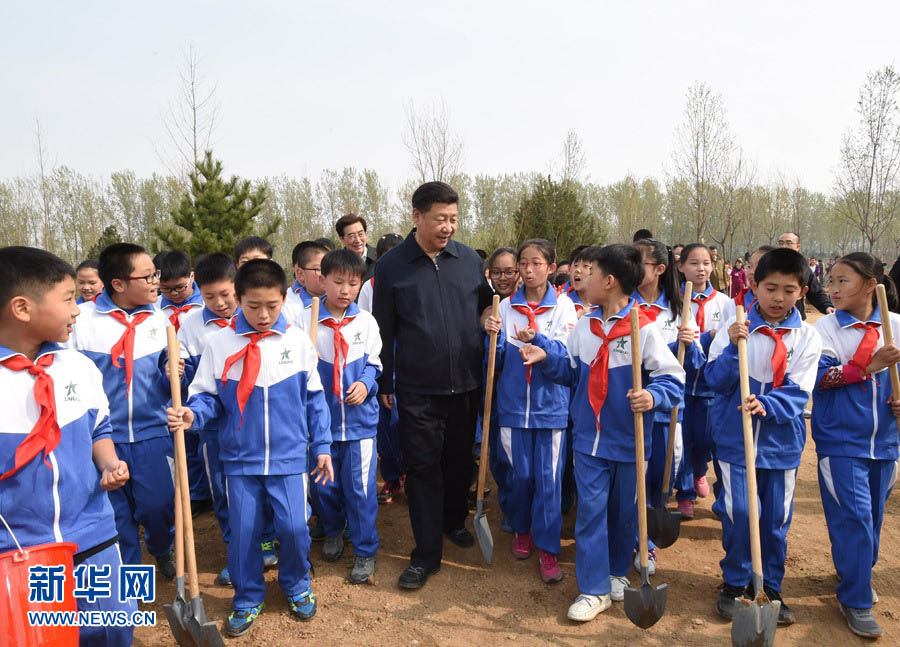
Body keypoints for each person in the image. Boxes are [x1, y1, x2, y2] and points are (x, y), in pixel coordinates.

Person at [167, 259, 334, 636]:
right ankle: (247, 596)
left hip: (289, 458)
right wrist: (193, 415)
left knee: (294, 528)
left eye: (272, 305)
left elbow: (314, 399)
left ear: (284, 299)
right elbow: (207, 397)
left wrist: (322, 445)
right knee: (243, 533)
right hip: (239, 460)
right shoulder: (220, 343)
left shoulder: (296, 341)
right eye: (253, 305)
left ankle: (297, 585)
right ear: (239, 299)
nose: (263, 315)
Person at [520, 244, 684, 621]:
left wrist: (652, 395)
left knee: (624, 514)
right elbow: (571, 372)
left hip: (630, 442)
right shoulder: (585, 326)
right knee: (591, 514)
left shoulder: (644, 328)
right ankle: (593, 589)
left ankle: (616, 572)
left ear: (609, 281)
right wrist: (545, 357)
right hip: (589, 442)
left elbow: (673, 378)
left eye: (590, 272)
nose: (582, 276)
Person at [0, 246, 136, 647]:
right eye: (67, 299)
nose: (77, 309)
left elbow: (98, 428)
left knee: (112, 629)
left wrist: (109, 463)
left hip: (93, 533)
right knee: (42, 637)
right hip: (21, 548)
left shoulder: (77, 366)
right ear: (22, 308)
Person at [372, 181, 494, 590]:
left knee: (459, 462)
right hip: (417, 389)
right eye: (440, 219)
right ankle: (426, 554)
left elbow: (484, 307)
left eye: (454, 219)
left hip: (466, 385)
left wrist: (487, 320)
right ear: (417, 216)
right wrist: (385, 379)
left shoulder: (468, 260)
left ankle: (453, 521)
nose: (448, 227)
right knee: (423, 469)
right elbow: (384, 328)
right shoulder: (392, 267)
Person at [705, 248, 822, 627]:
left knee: (774, 520)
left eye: (789, 290)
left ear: (802, 292)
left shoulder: (807, 337)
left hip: (781, 445)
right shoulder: (735, 326)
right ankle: (735, 582)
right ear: (754, 286)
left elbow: (800, 391)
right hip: (735, 439)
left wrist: (767, 404)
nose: (778, 298)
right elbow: (714, 379)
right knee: (740, 512)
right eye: (770, 288)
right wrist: (731, 350)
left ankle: (769, 586)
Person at [69, 243, 176, 576]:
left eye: (155, 274)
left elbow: (172, 376)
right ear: (118, 284)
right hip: (103, 439)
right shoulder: (82, 322)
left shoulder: (161, 319)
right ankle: (129, 583)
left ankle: (162, 548)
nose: (155, 282)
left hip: (153, 433)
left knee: (159, 506)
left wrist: (172, 371)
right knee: (117, 518)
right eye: (148, 277)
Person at [812, 253, 900, 639]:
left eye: (842, 281)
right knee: (856, 519)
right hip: (840, 440)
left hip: (886, 443)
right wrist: (868, 365)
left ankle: (856, 572)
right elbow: (818, 378)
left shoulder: (896, 326)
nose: (832, 289)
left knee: (874, 519)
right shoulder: (825, 329)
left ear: (869, 285)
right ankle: (857, 599)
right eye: (830, 280)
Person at [483, 239, 577, 583]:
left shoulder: (564, 307)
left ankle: (548, 548)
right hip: (512, 408)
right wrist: (492, 338)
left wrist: (538, 341)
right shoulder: (506, 307)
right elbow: (495, 362)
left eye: (536, 263)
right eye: (524, 263)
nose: (528, 269)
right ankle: (522, 529)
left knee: (549, 480)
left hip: (551, 409)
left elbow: (566, 356)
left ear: (551, 267)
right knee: (519, 476)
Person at [307, 249, 383, 583]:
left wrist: (365, 384)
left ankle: (365, 551)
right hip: (320, 427)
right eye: (338, 282)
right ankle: (334, 528)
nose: (345, 290)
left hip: (359, 425)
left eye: (353, 283)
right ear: (322, 280)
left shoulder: (365, 322)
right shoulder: (307, 322)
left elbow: (375, 363)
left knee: (361, 490)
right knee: (323, 488)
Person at [633, 238, 702, 573]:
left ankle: (652, 524)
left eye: (640, 262)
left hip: (669, 413)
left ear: (660, 269)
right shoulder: (624, 305)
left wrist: (690, 344)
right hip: (633, 410)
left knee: (662, 478)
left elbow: (696, 363)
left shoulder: (679, 311)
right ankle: (641, 541)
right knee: (635, 478)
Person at [176, 251, 243, 586]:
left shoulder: (257, 315)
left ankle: (266, 541)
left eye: (226, 294)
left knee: (258, 488)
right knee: (222, 490)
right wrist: (172, 368)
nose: (219, 303)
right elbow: (183, 375)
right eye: (209, 296)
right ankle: (237, 551)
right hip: (214, 427)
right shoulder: (191, 326)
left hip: (254, 426)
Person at [674, 243, 732, 519]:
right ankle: (685, 493)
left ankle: (703, 473)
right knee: (683, 441)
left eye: (706, 263)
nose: (701, 269)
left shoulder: (725, 303)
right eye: (694, 263)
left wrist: (710, 339)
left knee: (708, 441)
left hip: (712, 389)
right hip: (682, 386)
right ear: (680, 266)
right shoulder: (673, 301)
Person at [776, 233, 834, 318]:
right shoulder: (768, 267)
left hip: (795, 319)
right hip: (769, 318)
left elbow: (816, 292)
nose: (784, 246)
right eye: (781, 243)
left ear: (797, 247)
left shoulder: (803, 269)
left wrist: (827, 306)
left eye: (789, 243)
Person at [286, 241, 328, 328]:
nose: (325, 275)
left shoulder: (340, 303)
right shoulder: (288, 309)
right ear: (300, 273)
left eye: (328, 269)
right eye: (318, 269)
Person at [359, 233, 403, 315]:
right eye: (387, 258)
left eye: (398, 257)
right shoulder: (369, 286)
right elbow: (362, 318)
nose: (393, 263)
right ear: (377, 258)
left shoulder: (414, 282)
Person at [336, 213, 377, 281]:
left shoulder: (379, 257)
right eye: (351, 236)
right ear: (342, 239)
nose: (357, 240)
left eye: (360, 234)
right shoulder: (336, 263)